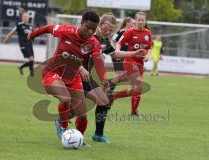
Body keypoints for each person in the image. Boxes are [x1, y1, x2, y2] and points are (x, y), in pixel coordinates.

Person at [28, 11, 107, 147]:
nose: (90, 31)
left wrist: (104, 78)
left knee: (82, 115)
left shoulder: (93, 43)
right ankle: (63, 127)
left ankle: (79, 140)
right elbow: (49, 27)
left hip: (73, 76)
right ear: (81, 23)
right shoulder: (66, 31)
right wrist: (32, 35)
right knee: (65, 99)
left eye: (93, 29)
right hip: (52, 73)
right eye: (87, 27)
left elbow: (98, 61)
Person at [82, 13, 145, 143]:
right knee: (80, 105)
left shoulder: (104, 41)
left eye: (111, 29)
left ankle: (98, 135)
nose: (108, 31)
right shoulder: (88, 37)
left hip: (92, 77)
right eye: (106, 27)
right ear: (99, 24)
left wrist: (134, 53)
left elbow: (115, 53)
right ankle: (63, 124)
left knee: (103, 101)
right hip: (79, 75)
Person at [110, 11, 152, 116]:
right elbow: (119, 43)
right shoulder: (129, 32)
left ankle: (115, 96)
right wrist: (118, 52)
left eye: (143, 20)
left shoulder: (148, 33)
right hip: (129, 61)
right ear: (135, 20)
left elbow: (149, 48)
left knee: (135, 89)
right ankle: (133, 112)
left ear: (145, 21)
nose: (141, 22)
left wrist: (147, 56)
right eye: (139, 20)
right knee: (139, 85)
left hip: (140, 63)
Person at [3, 7, 35, 77]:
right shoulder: (19, 25)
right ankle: (32, 75)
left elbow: (32, 35)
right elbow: (11, 32)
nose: (26, 18)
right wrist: (7, 38)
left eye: (27, 17)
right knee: (31, 58)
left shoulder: (30, 26)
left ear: (29, 18)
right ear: (22, 18)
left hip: (29, 44)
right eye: (24, 17)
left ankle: (21, 67)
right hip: (23, 44)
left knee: (32, 60)